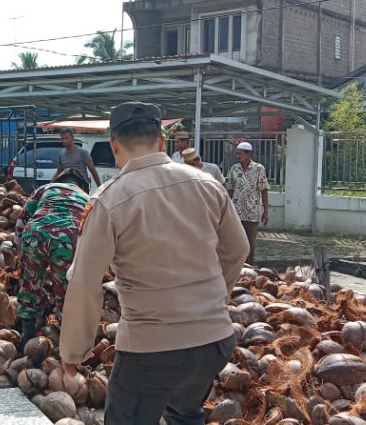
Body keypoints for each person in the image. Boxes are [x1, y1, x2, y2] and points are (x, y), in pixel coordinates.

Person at [59, 102, 249, 424]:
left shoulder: (109, 199)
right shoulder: (207, 184)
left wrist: (74, 351)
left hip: (150, 349)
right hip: (214, 341)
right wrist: (214, 302)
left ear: (114, 146)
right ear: (161, 142)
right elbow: (238, 250)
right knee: (185, 414)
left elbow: (84, 282)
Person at [15, 168, 89, 348]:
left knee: (30, 284)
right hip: (68, 240)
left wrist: (20, 249)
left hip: (35, 233)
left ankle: (27, 333)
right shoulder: (87, 198)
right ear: (82, 185)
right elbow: (93, 230)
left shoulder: (46, 188)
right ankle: (65, 343)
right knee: (65, 291)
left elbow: (22, 219)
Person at [225, 142, 269, 265]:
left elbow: (264, 190)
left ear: (248, 154)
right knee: (235, 243)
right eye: (236, 154)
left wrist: (266, 211)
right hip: (236, 213)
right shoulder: (234, 168)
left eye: (240, 154)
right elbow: (230, 189)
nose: (238, 156)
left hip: (251, 213)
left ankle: (248, 267)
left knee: (249, 244)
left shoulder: (259, 169)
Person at [52, 127, 101, 191]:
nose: (64, 141)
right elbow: (59, 171)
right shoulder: (61, 154)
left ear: (72, 138)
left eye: (67, 138)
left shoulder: (82, 152)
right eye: (62, 139)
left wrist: (100, 187)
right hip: (67, 187)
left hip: (81, 187)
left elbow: (93, 170)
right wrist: (50, 185)